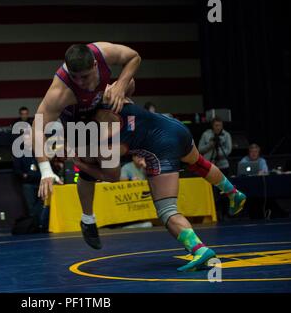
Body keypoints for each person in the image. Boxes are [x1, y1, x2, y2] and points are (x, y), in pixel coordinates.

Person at [72, 101, 246, 272]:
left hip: (161, 149)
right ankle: (233, 192)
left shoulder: (107, 145)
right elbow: (129, 83)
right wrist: (122, 84)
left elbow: (112, 177)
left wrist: (81, 164)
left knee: (166, 211)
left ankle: (199, 249)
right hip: (175, 128)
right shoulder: (114, 100)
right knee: (198, 163)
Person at [32, 42, 141, 243]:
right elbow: (37, 128)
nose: (81, 82)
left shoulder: (104, 53)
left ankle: (91, 158)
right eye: (75, 77)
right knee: (110, 174)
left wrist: (121, 86)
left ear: (94, 65)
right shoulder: (60, 92)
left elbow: (134, 57)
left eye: (85, 76)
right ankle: (88, 218)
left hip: (99, 106)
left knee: (130, 81)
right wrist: (45, 170)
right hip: (76, 122)